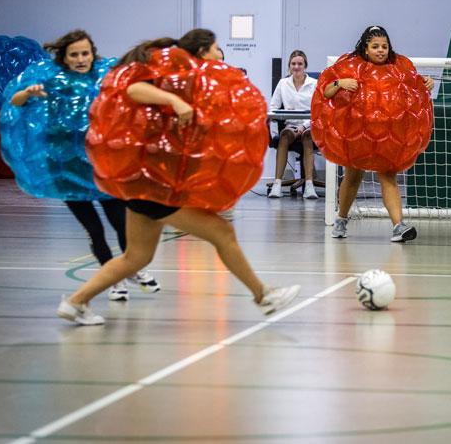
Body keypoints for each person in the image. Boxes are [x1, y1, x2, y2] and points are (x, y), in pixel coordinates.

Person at [56, 28, 300, 325]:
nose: (217, 54)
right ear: (202, 52)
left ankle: (75, 302)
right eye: (214, 49)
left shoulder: (187, 79)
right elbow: (134, 90)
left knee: (137, 258)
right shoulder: (173, 72)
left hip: (146, 184)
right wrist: (175, 102)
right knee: (222, 233)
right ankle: (264, 295)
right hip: (153, 183)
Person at [8, 30, 160, 301]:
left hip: (100, 166)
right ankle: (112, 280)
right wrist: (28, 93)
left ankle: (131, 268)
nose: (81, 59)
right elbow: (15, 101)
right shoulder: (53, 80)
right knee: (95, 230)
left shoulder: (104, 77)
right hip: (66, 169)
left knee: (122, 225)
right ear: (64, 57)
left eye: (85, 53)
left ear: (93, 53)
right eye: (74, 55)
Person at [322, 26, 433, 242]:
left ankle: (398, 226)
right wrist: (340, 83)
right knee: (353, 176)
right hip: (355, 134)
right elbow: (326, 92)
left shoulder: (400, 68)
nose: (380, 50)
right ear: (365, 48)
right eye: (375, 47)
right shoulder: (349, 66)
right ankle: (341, 219)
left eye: (384, 46)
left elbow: (413, 88)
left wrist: (426, 83)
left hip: (386, 136)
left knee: (388, 174)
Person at [268, 50, 319, 199]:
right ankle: (277, 184)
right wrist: (279, 116)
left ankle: (309, 186)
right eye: (293, 64)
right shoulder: (283, 83)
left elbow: (318, 111)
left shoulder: (314, 84)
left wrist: (303, 126)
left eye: (300, 64)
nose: (296, 67)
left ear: (305, 66)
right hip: (290, 125)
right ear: (289, 66)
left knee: (307, 136)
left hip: (309, 125)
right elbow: (273, 107)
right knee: (284, 136)